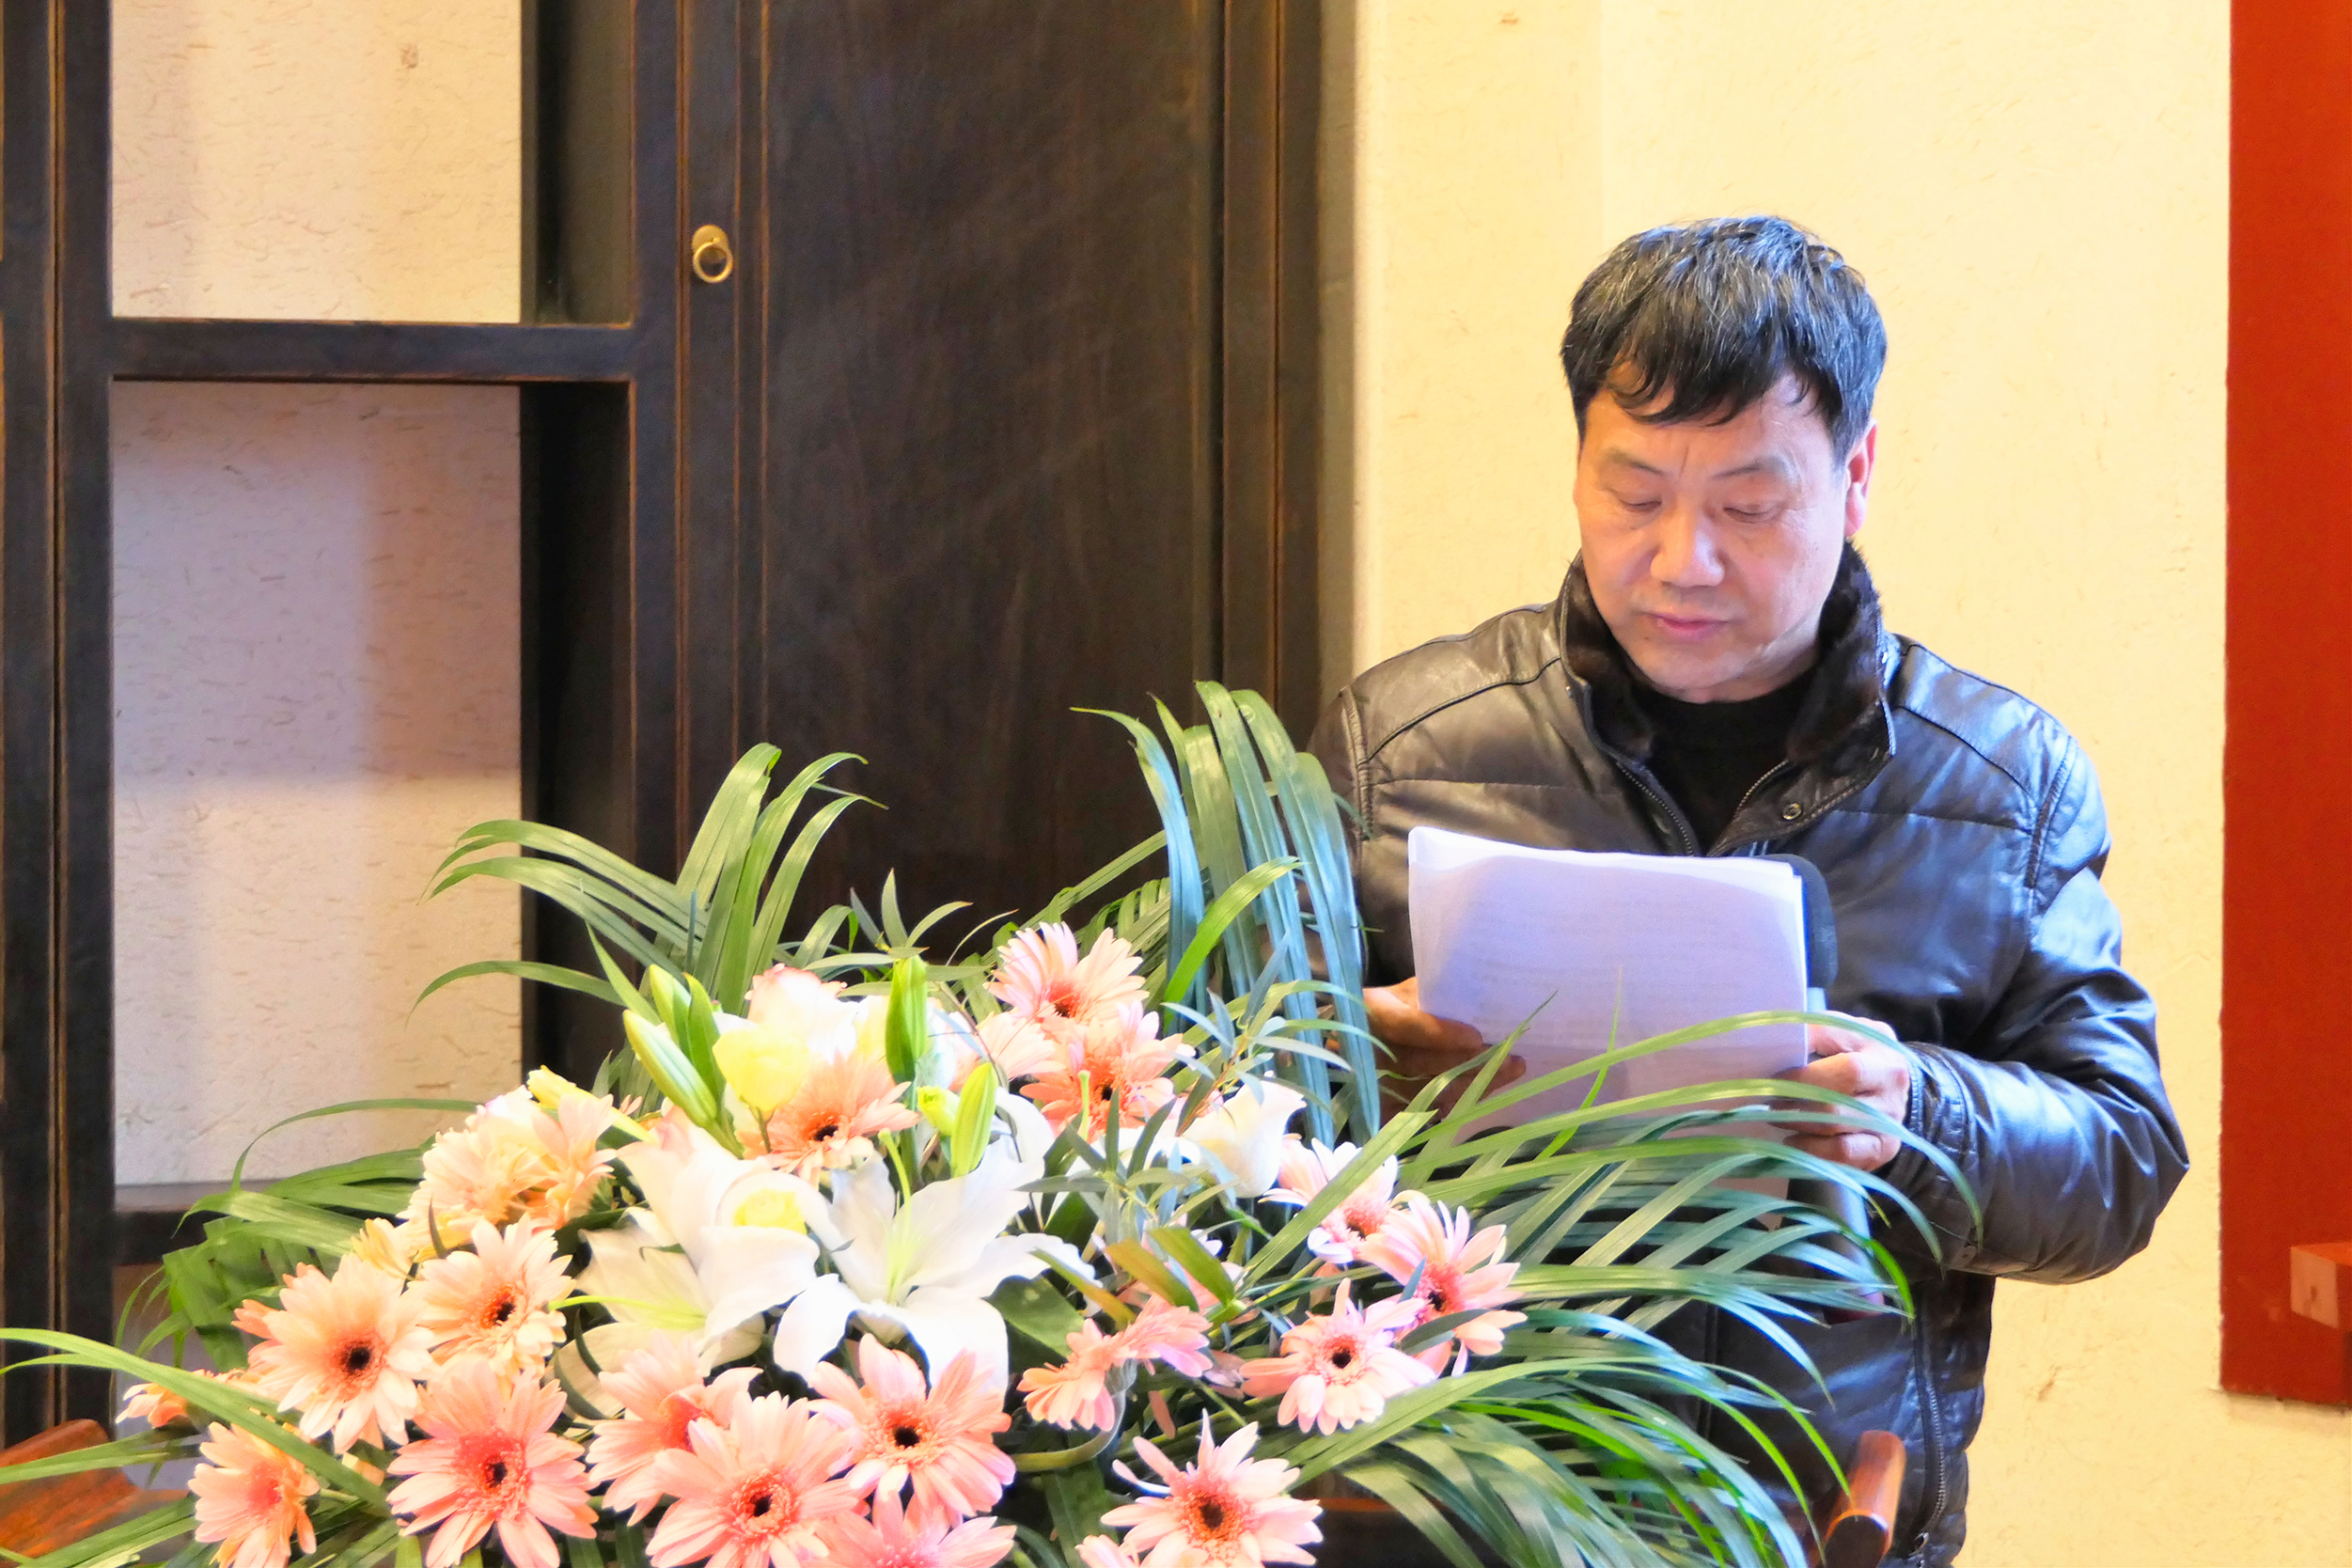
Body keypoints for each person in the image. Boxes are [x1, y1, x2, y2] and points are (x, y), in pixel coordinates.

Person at [1308, 215, 2187, 1567]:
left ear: (1856, 475)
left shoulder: (2003, 784)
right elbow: (1211, 1113)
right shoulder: (1400, 747)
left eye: (1747, 507)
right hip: (1456, 1506)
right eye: (1634, 494)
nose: (1682, 561)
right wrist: (1355, 1059)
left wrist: (1917, 1114)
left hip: (1820, 1514)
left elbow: (2119, 1166)